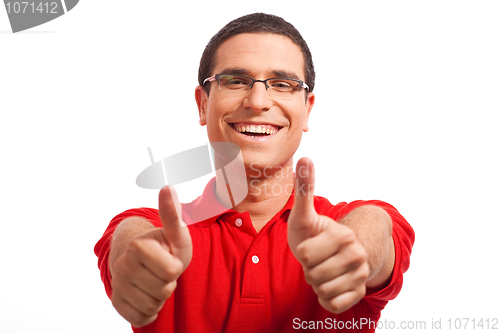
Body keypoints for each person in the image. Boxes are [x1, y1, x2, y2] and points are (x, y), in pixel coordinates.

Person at [94, 13, 415, 333]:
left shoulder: (347, 223)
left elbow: (377, 228)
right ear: (203, 104)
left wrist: (355, 250)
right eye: (235, 80)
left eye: (282, 84)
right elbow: (127, 238)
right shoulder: (159, 229)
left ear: (307, 109)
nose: (258, 101)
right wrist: (135, 260)